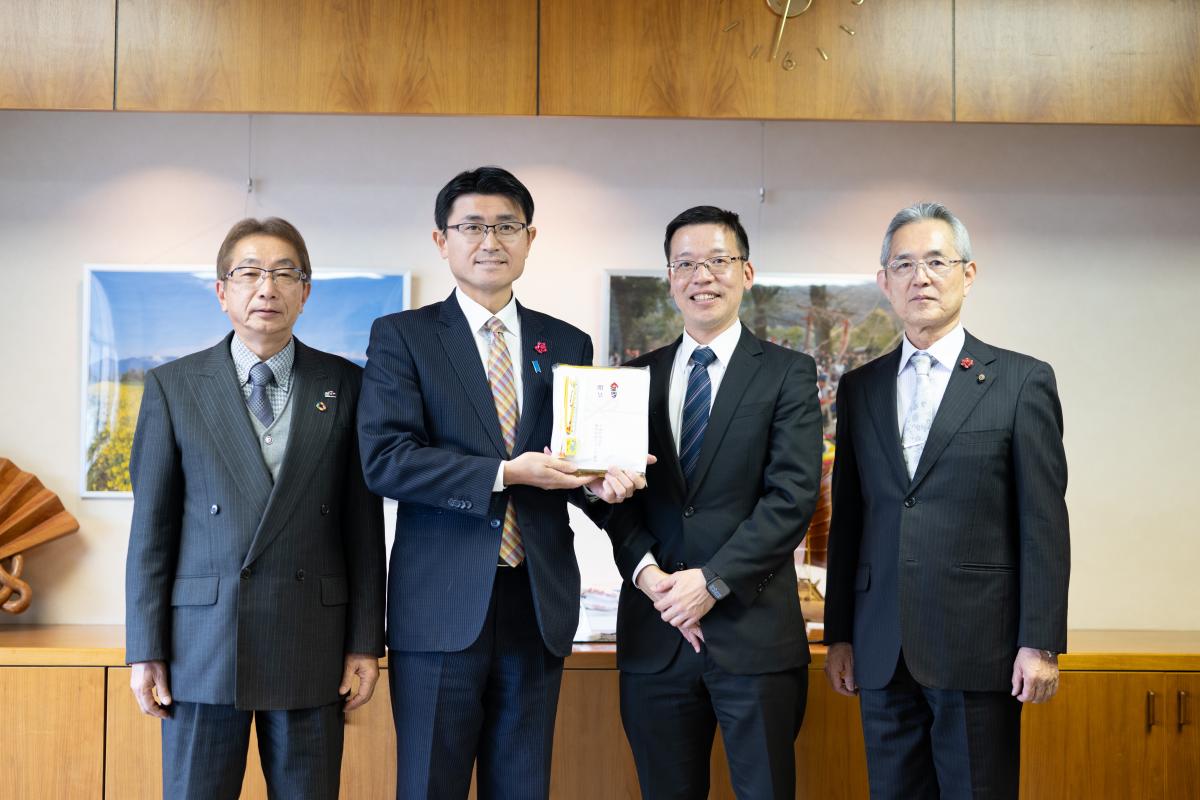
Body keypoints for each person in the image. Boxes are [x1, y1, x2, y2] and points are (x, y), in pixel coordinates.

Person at [357, 166, 649, 799]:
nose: (490, 240)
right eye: (472, 226)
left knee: (523, 785)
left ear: (530, 236)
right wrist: (504, 474)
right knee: (430, 783)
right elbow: (385, 460)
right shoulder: (403, 337)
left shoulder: (565, 341)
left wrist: (601, 484)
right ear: (442, 240)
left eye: (507, 226)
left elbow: (572, 463)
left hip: (535, 602)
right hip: (438, 607)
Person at [125, 217, 386, 799]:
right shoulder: (174, 386)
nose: (266, 288)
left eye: (284, 274)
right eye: (249, 273)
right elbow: (151, 532)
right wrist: (145, 649)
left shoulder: (347, 385)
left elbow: (363, 529)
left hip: (310, 641)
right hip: (202, 644)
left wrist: (366, 641)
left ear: (306, 292)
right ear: (222, 292)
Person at [823, 202, 1070, 799]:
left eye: (937, 261)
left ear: (969, 274)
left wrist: (1040, 642)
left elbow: (1043, 521)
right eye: (903, 264)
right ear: (884, 282)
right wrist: (841, 634)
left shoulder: (1019, 381)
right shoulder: (861, 387)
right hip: (882, 651)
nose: (920, 277)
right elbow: (851, 519)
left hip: (978, 646)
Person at [604, 205, 824, 799]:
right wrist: (650, 576)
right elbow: (613, 501)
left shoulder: (788, 375)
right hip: (656, 637)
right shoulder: (632, 380)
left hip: (752, 637)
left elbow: (792, 497)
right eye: (686, 264)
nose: (703, 275)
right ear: (670, 278)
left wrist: (712, 582)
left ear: (746, 273)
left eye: (718, 261)